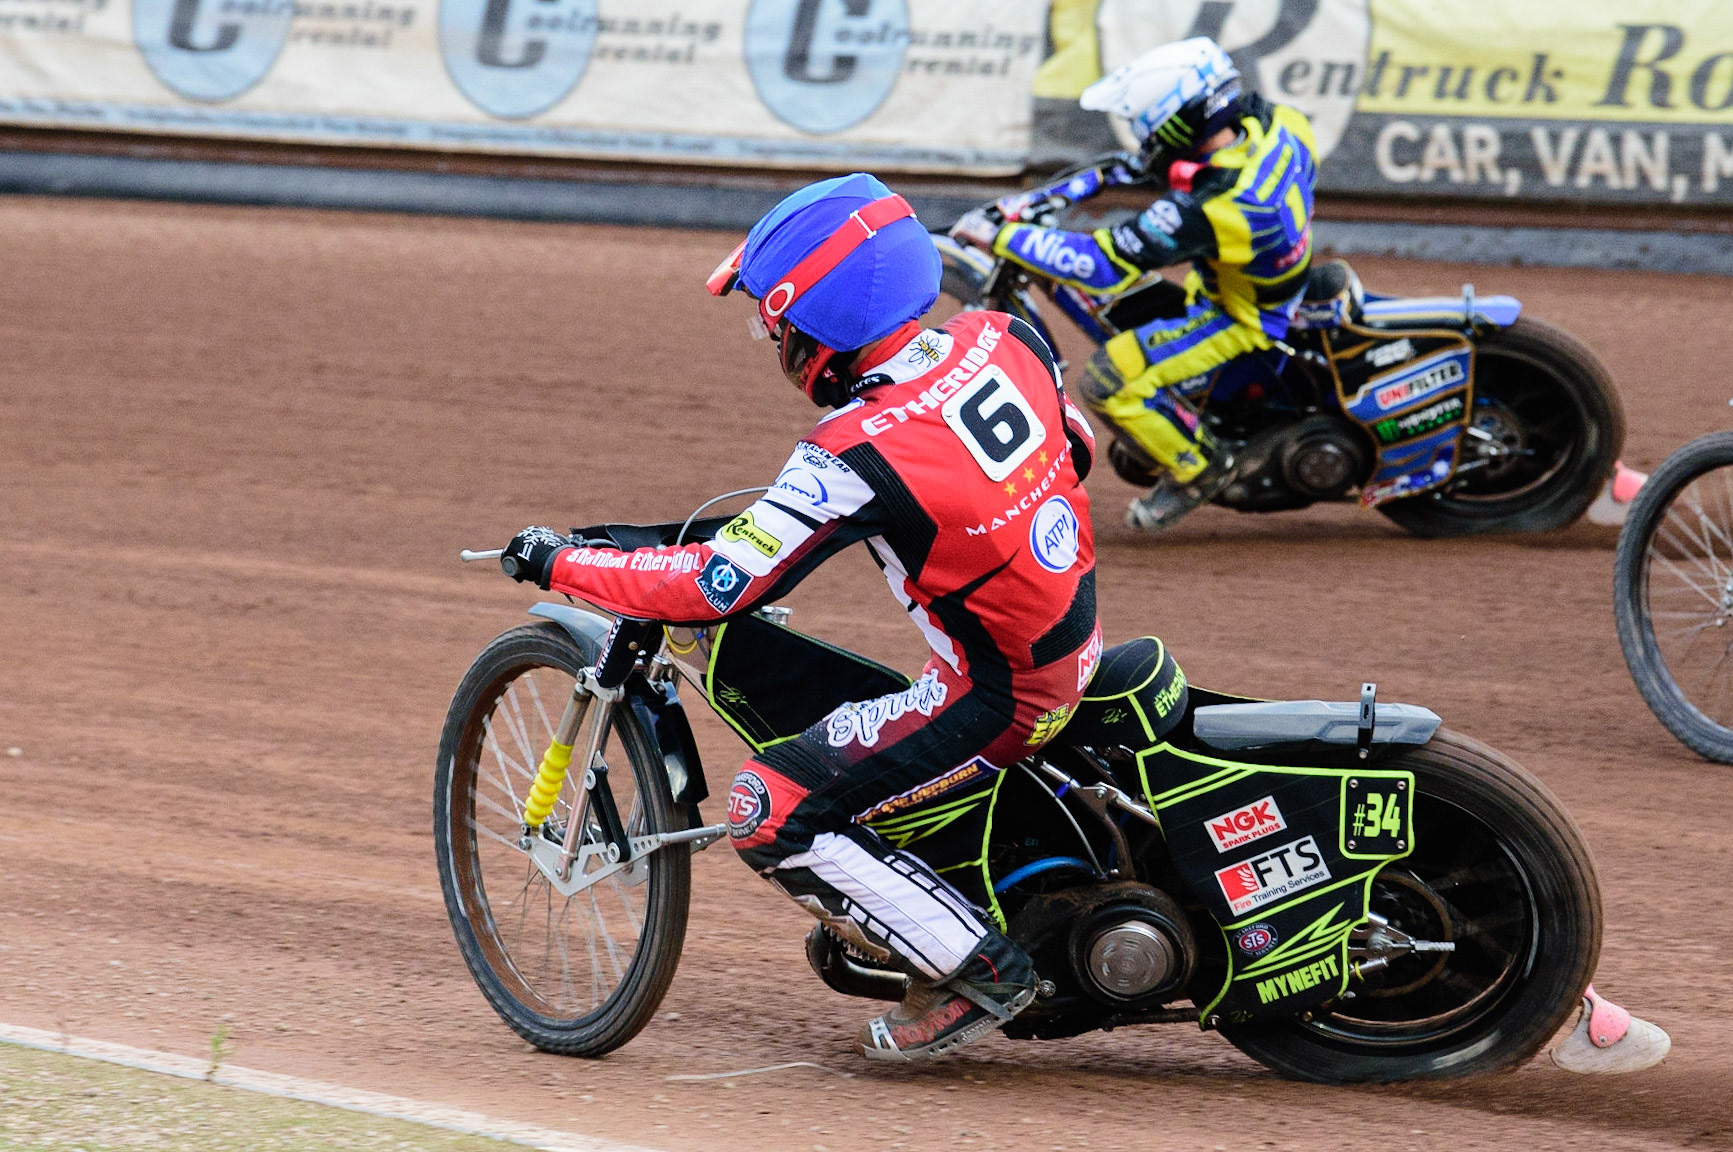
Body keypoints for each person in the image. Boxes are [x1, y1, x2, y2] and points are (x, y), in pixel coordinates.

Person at [498, 173, 1101, 1062]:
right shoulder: (1004, 335)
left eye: (775, 322)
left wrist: (559, 559)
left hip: (1000, 695)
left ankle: (982, 974)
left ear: (821, 319)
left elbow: (712, 588)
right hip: (1074, 637)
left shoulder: (852, 451)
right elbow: (1076, 449)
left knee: (765, 807)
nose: (773, 339)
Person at [951, 37, 1319, 532]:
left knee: (1108, 381)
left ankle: (1202, 466)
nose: (1142, 135)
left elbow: (1103, 263)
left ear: (1179, 118)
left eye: (1145, 122)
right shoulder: (1277, 125)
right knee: (1129, 305)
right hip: (1264, 279)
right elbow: (1135, 168)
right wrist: (1055, 195)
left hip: (1242, 317)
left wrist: (1004, 235)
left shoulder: (1220, 204)